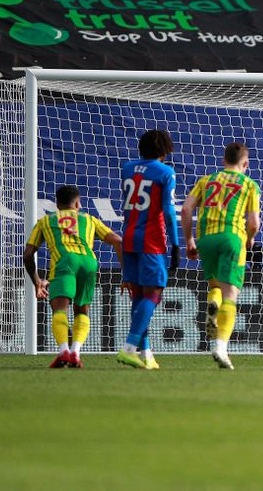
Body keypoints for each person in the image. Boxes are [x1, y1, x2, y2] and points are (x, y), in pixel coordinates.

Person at [23, 185, 123, 368]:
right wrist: (126, 273)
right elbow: (118, 240)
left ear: (57, 205)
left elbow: (28, 254)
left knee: (60, 310)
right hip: (89, 262)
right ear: (77, 203)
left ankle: (63, 351)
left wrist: (37, 281)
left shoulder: (45, 221)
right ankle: (75, 352)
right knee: (82, 311)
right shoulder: (89, 219)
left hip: (64, 261)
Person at [181, 142, 260, 369]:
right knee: (231, 293)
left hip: (206, 238)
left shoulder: (206, 181)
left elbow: (186, 209)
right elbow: (253, 222)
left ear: (224, 160)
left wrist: (189, 241)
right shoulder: (249, 184)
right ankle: (221, 347)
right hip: (231, 237)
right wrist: (249, 237)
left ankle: (212, 307)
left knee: (215, 284)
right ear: (245, 163)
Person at [116, 129, 180, 370]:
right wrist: (175, 244)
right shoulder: (165, 172)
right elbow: (169, 211)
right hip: (151, 240)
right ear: (165, 149)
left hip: (129, 236)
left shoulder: (127, 168)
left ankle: (146, 354)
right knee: (154, 294)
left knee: (139, 294)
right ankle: (129, 348)